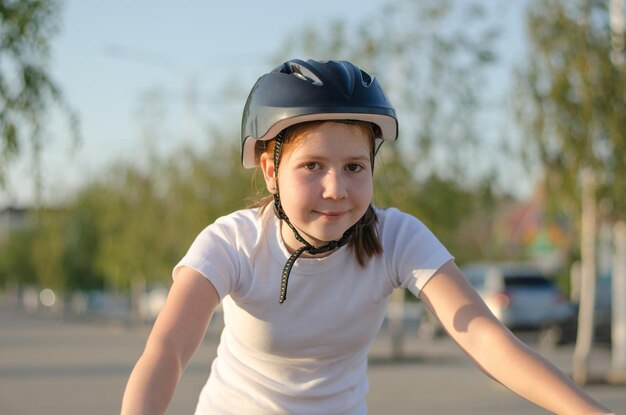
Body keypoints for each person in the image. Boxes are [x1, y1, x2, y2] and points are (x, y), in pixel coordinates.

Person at [120, 59, 613, 415]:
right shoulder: (232, 243)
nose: (336, 189)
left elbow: (485, 338)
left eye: (354, 166)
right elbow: (167, 349)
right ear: (271, 170)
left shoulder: (395, 237)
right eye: (312, 166)